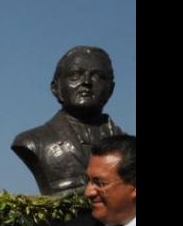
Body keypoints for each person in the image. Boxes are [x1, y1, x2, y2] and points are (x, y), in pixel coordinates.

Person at [11, 46, 123, 196]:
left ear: (111, 89)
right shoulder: (32, 142)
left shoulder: (128, 147)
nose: (87, 82)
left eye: (98, 76)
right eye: (75, 75)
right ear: (56, 88)